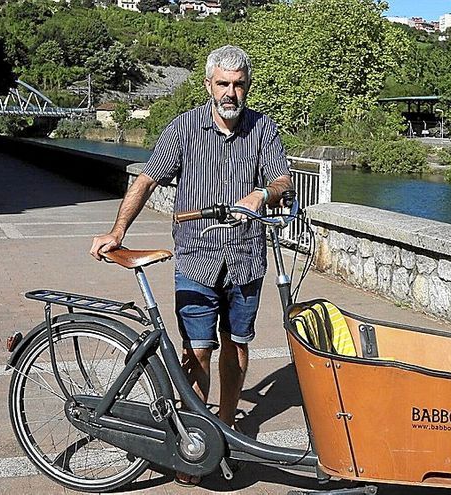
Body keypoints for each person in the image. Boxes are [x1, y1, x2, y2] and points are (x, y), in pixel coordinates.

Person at [89, 45, 293, 485]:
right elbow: (145, 179)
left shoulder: (263, 129)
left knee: (237, 345)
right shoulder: (184, 129)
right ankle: (193, 436)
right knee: (196, 349)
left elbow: (282, 179)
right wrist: (118, 231)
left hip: (246, 257)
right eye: (223, 83)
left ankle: (225, 422)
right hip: (196, 260)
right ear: (208, 85)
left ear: (248, 86)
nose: (231, 93)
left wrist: (262, 195)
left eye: (239, 84)